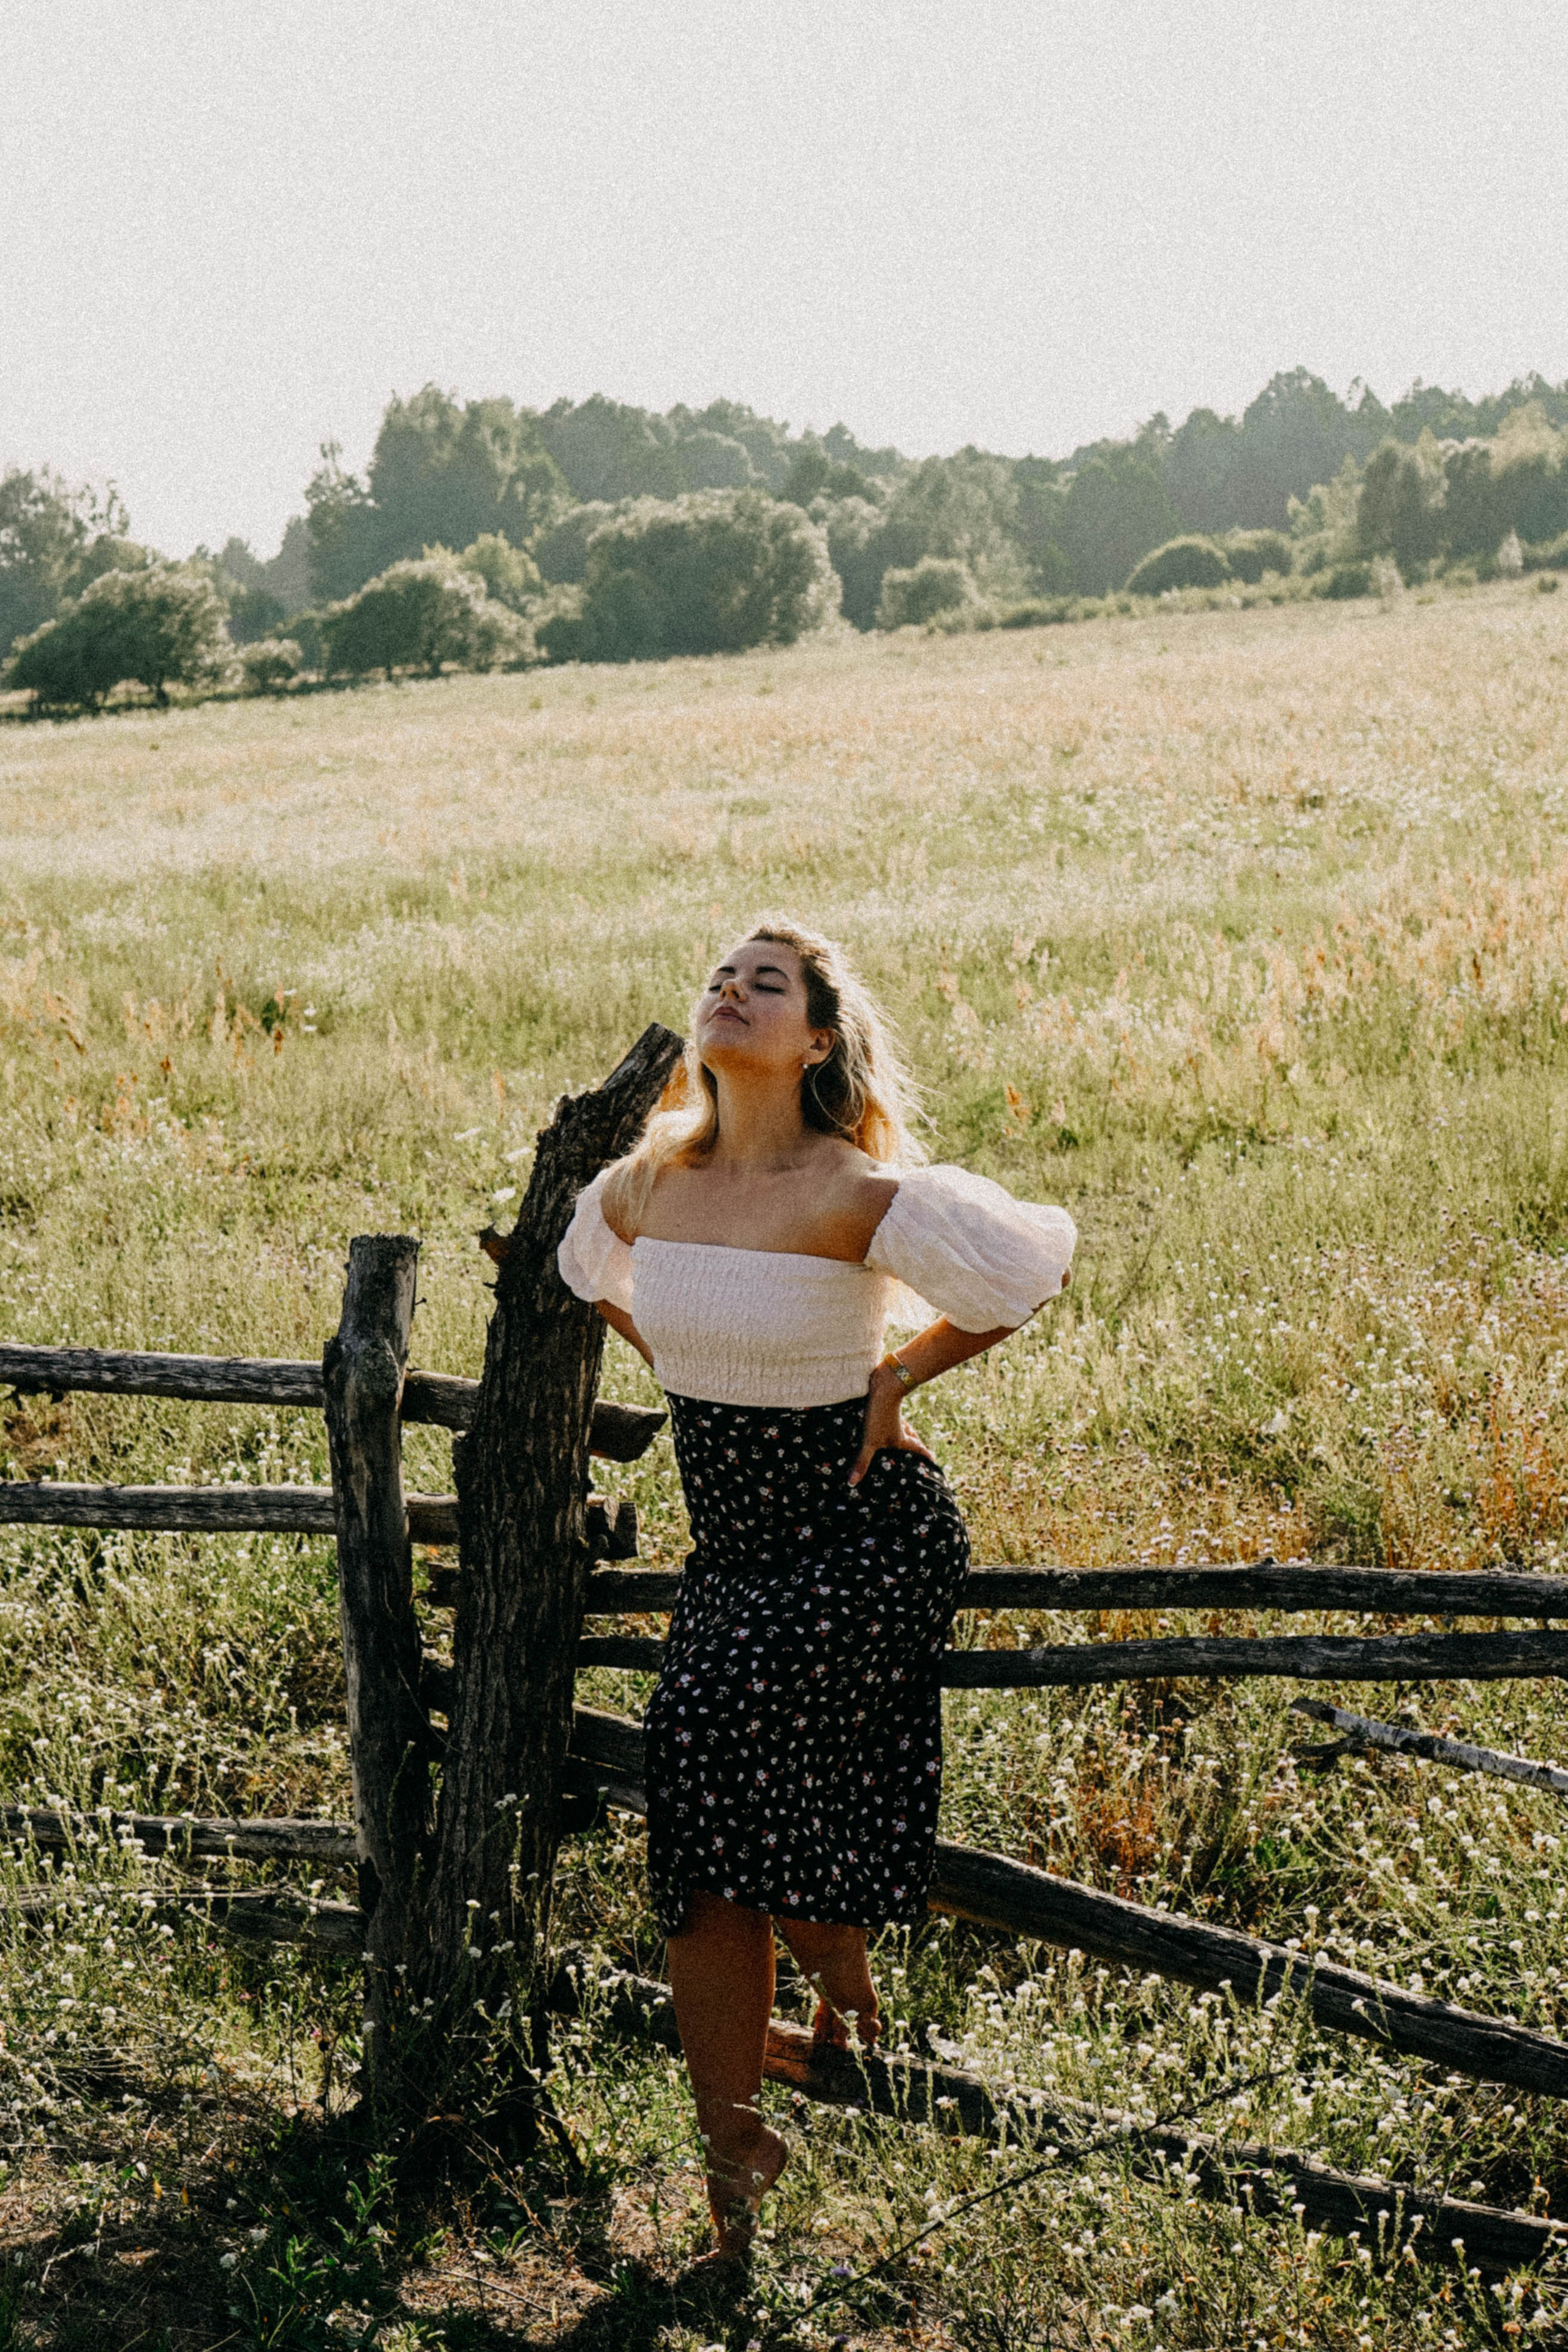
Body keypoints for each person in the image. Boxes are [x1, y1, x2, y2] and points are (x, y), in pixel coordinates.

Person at [557, 917, 1075, 2264]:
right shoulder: (648, 1183)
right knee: (706, 1853)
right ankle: (733, 2160)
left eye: (764, 984)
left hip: (863, 1534)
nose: (729, 993)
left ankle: (841, 1976)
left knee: (700, 1744)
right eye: (720, 977)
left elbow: (1021, 1276)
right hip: (734, 1551)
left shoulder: (854, 1188)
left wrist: (898, 1375)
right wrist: (683, 1343)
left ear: (817, 1037)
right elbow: (587, 1273)